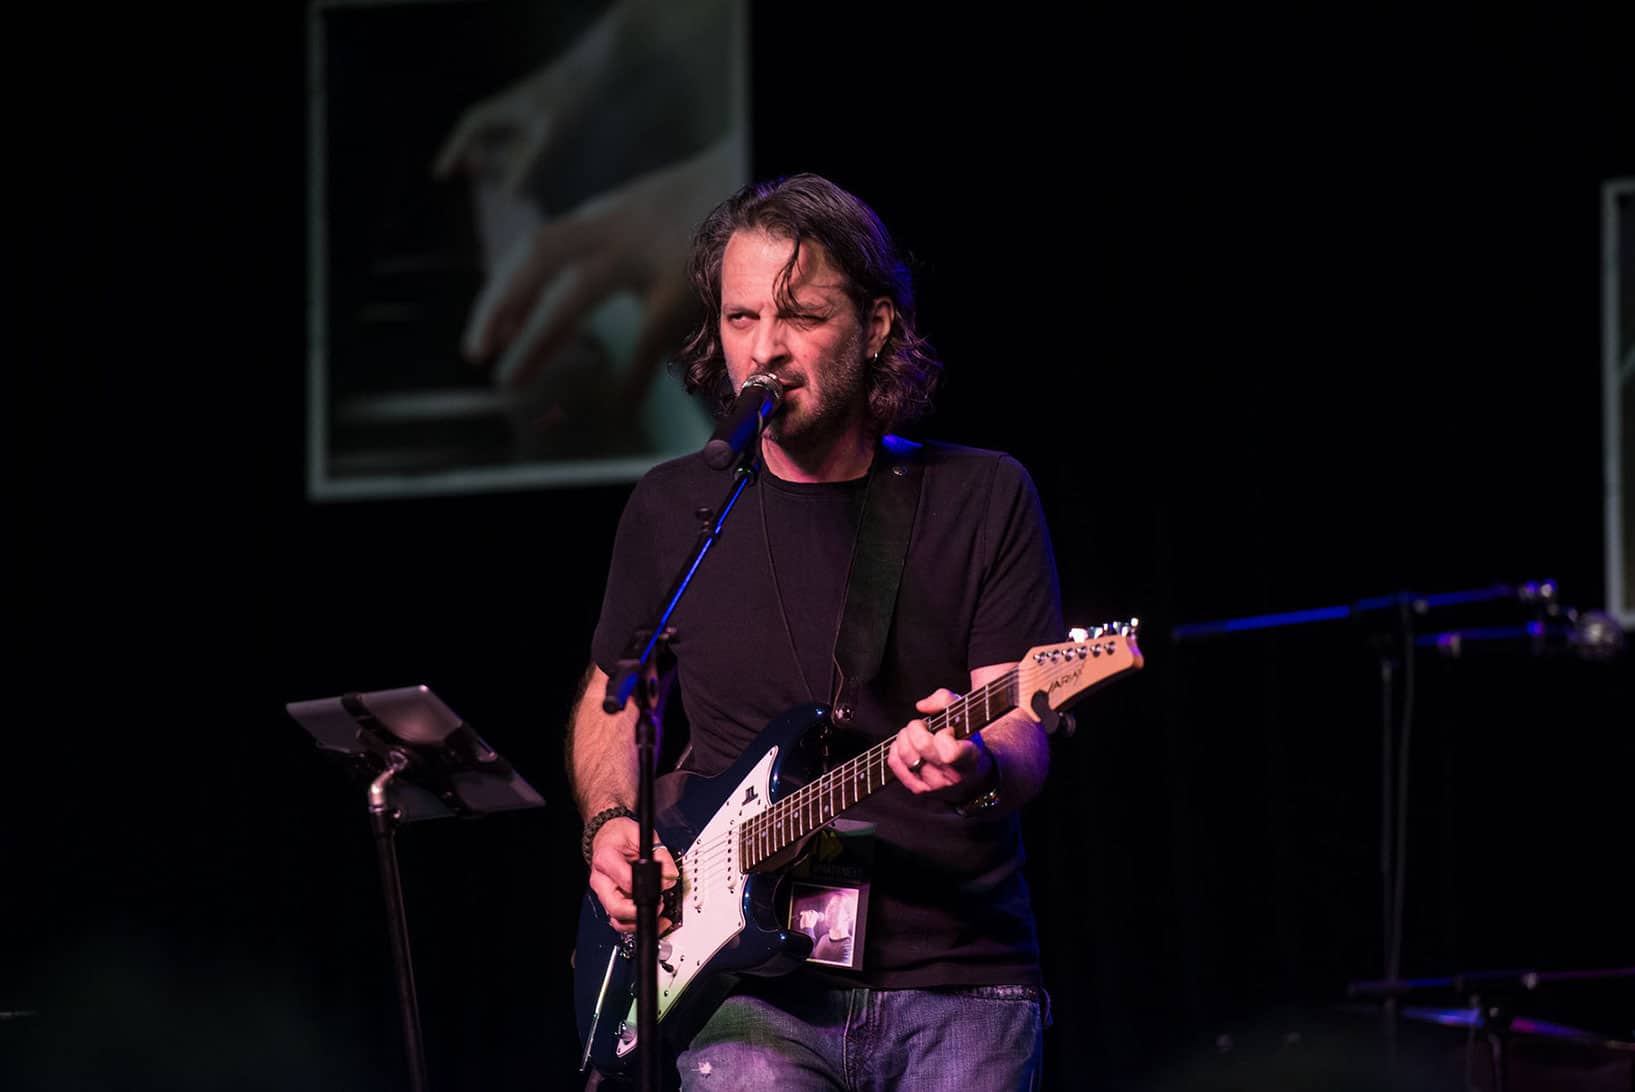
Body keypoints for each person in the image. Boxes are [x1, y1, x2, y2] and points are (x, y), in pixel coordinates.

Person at [569, 173, 1062, 1090]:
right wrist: (610, 823)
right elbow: (614, 692)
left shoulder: (980, 495)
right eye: (741, 317)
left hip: (956, 974)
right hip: (743, 985)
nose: (765, 349)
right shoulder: (674, 507)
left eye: (800, 316)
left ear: (875, 326)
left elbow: (1020, 722)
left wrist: (976, 764)